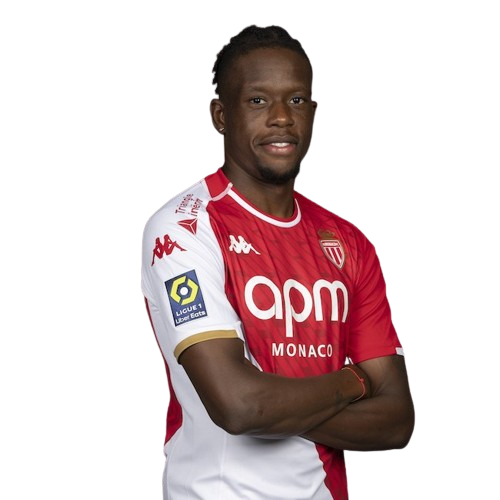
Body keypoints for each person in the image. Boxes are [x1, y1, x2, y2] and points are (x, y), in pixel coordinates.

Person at [140, 24, 415, 500]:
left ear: (313, 113)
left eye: (297, 100)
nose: (282, 117)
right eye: (258, 101)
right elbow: (240, 407)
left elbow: (396, 422)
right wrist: (355, 380)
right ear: (220, 116)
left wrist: (274, 405)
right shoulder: (183, 228)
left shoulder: (349, 242)